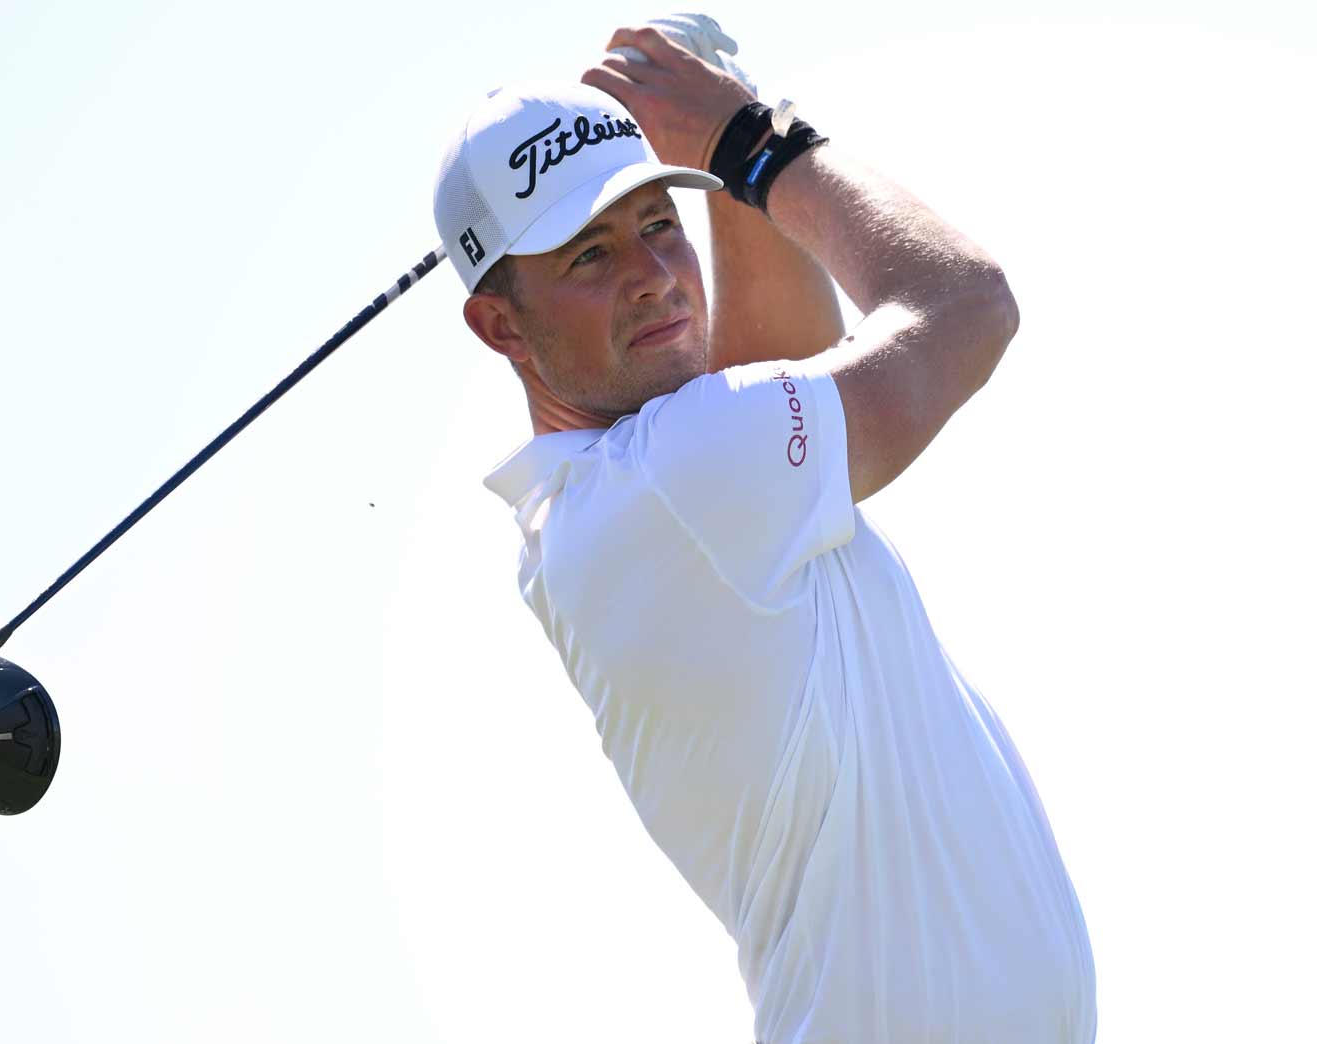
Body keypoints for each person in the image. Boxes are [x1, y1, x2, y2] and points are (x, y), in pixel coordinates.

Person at [432, 19, 1095, 1044]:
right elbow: (964, 305)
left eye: (660, 224)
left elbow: (777, 357)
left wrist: (725, 147)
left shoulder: (646, 487)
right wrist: (752, 142)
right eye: (590, 254)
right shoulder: (673, 479)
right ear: (501, 325)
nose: (651, 272)